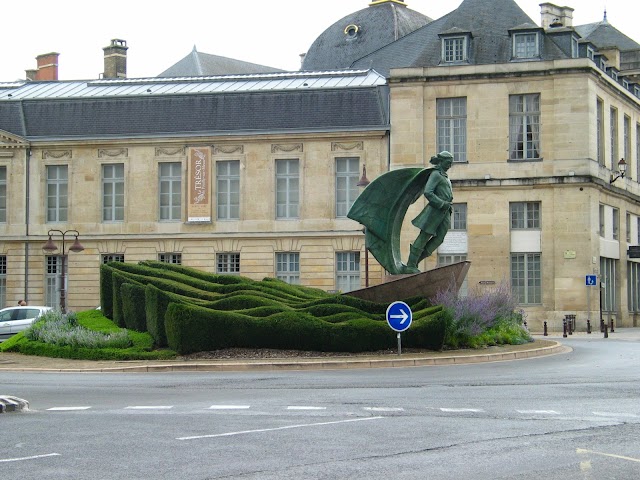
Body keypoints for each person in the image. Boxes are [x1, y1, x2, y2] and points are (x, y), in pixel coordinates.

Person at [403, 151, 454, 273]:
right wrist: (441, 203)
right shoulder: (436, 174)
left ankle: (415, 263)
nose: (450, 165)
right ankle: (411, 264)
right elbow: (428, 192)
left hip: (445, 210)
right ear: (441, 162)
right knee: (424, 236)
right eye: (448, 163)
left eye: (451, 163)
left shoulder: (444, 176)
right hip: (435, 211)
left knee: (439, 238)